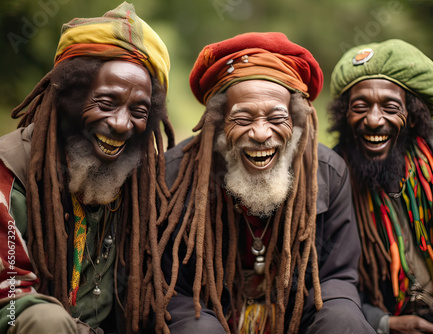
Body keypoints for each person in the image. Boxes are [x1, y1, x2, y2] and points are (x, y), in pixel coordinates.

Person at [159, 32, 375, 334]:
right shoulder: (175, 175)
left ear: (297, 121)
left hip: (297, 319)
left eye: (276, 118)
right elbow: (173, 290)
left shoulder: (328, 173)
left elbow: (337, 277)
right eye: (243, 119)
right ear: (219, 123)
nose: (261, 133)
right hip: (208, 317)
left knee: (343, 320)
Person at [0, 2, 174, 333]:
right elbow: (9, 303)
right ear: (68, 96)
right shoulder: (8, 174)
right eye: (106, 103)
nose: (122, 124)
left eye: (138, 111)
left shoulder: (140, 179)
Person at [327, 39, 433, 334]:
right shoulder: (330, 178)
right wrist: (383, 322)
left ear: (413, 115)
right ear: (345, 115)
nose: (373, 119)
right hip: (385, 317)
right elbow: (329, 279)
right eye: (360, 106)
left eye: (390, 107)